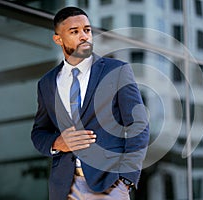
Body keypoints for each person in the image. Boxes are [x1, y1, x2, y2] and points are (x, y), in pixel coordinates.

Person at [31, 6, 149, 200]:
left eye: (87, 30)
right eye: (74, 32)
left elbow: (139, 125)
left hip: (109, 184)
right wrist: (56, 143)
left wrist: (126, 179)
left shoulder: (116, 71)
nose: (84, 36)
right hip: (65, 187)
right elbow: (39, 132)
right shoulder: (47, 83)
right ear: (58, 39)